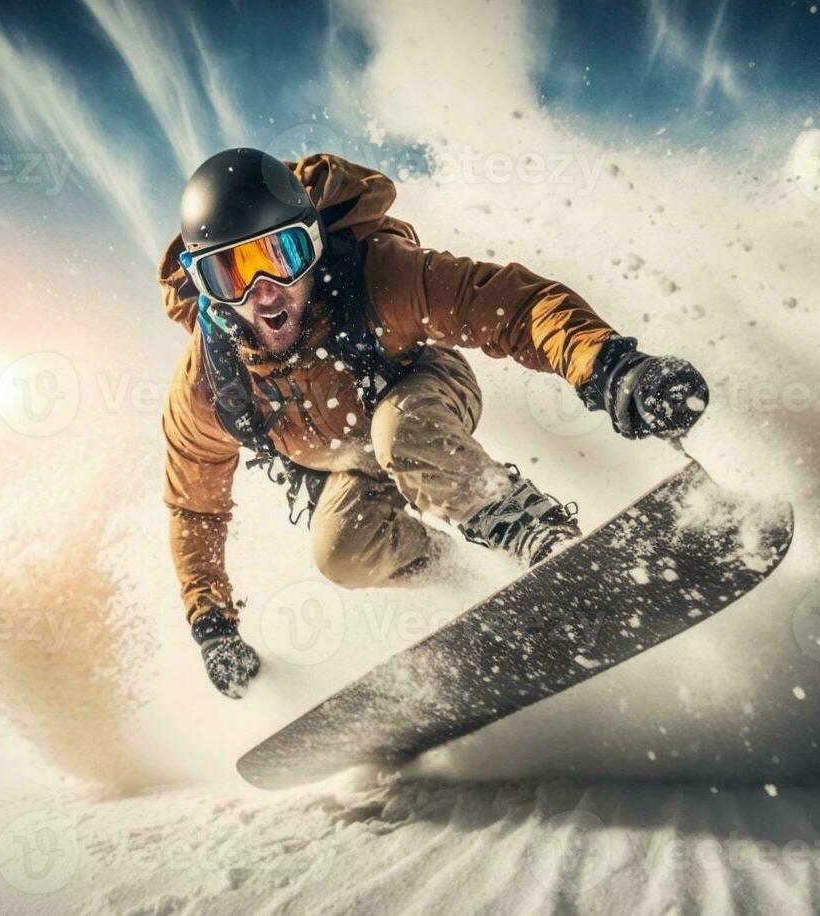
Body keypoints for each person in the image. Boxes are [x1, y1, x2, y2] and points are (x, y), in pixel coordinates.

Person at [158, 148, 708, 698]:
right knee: (340, 554)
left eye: (281, 254)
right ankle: (466, 578)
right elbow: (194, 508)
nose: (264, 292)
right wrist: (212, 625)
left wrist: (610, 367)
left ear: (314, 242)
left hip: (421, 393)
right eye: (230, 273)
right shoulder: (211, 384)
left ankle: (530, 531)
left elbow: (512, 306)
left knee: (401, 433)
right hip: (353, 460)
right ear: (203, 285)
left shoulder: (375, 276)